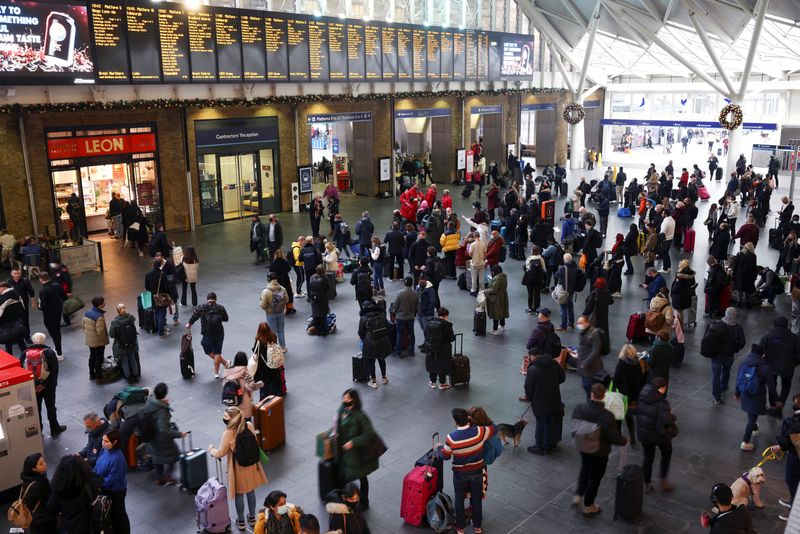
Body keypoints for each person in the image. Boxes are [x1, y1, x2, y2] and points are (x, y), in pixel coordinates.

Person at [437, 407, 497, 534]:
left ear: (455, 422)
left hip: (460, 474)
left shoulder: (451, 437)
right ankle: (477, 527)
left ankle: (460, 528)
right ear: (468, 418)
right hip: (477, 472)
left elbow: (445, 456)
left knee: (459, 500)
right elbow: (495, 428)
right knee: (476, 500)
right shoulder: (480, 431)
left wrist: (439, 448)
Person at [571, 383, 628, 517]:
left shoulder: (579, 408)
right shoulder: (607, 415)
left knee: (585, 468)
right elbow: (614, 438)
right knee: (595, 477)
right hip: (599, 451)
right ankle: (588, 505)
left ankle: (578, 495)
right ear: (604, 397)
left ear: (591, 394)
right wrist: (624, 441)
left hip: (582, 446)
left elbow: (574, 425)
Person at [209, 406, 267, 531]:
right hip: (251, 465)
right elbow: (254, 440)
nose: (223, 418)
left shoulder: (228, 433)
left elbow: (221, 452)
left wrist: (212, 450)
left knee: (239, 495)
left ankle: (241, 521)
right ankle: (252, 517)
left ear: (232, 419)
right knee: (251, 492)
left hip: (238, 467)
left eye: (225, 417)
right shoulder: (248, 425)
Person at [334, 389, 380, 509]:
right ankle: (347, 498)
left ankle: (364, 501)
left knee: (362, 476)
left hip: (356, 453)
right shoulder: (342, 409)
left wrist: (353, 442)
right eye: (344, 399)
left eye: (347, 399)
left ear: (354, 400)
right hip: (343, 450)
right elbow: (336, 421)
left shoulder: (360, 416)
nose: (345, 401)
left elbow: (369, 434)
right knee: (344, 474)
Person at [736, 344, 780, 450]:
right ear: (762, 355)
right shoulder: (765, 368)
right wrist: (776, 400)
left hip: (745, 394)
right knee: (752, 417)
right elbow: (771, 387)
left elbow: (739, 379)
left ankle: (755, 428)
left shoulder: (743, 363)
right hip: (757, 397)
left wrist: (737, 393)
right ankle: (745, 442)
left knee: (752, 415)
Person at [21, 332, 66, 436]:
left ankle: (38, 432)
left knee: (36, 409)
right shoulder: (49, 353)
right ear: (44, 341)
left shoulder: (24, 353)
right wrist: (45, 385)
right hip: (48, 386)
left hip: (32, 386)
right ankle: (54, 428)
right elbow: (54, 371)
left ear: (33, 341)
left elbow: (21, 370)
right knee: (51, 407)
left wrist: (34, 385)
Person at [636, 377, 676, 493]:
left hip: (644, 434)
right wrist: (673, 416)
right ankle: (663, 481)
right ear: (662, 388)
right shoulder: (662, 403)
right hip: (660, 435)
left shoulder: (642, 396)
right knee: (666, 454)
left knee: (648, 458)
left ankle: (646, 484)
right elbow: (667, 420)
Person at [145, 382, 187, 486]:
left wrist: (162, 402)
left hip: (151, 434)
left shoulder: (149, 401)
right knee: (174, 455)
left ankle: (160, 477)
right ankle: (167, 477)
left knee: (156, 456)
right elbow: (164, 430)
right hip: (161, 439)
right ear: (165, 394)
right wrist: (179, 434)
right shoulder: (162, 412)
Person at [525, 348, 566, 455]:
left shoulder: (533, 369)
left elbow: (528, 387)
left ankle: (540, 446)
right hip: (554, 398)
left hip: (540, 401)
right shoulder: (553, 363)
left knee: (541, 422)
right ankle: (551, 443)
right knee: (552, 421)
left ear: (533, 356)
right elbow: (562, 378)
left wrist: (531, 397)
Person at [93, 428, 131, 533]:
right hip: (105, 487)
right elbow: (98, 463)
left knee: (119, 514)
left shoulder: (117, 458)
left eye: (106, 441)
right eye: (103, 440)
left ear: (114, 442)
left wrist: (98, 482)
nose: (103, 443)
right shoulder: (104, 450)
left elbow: (112, 478)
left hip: (115, 491)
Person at [47, 454, 97, 533]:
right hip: (87, 524)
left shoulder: (58, 490)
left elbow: (51, 508)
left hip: (68, 526)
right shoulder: (87, 484)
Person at [707, 307, 746, 405]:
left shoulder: (717, 325)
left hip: (716, 355)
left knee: (716, 375)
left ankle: (716, 397)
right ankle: (723, 386)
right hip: (729, 354)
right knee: (726, 370)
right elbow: (742, 342)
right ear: (734, 315)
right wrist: (735, 349)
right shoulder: (738, 328)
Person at [186, 292, 229, 379]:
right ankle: (217, 372)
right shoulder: (220, 308)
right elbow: (226, 319)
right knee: (217, 352)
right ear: (216, 299)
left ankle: (225, 363)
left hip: (207, 334)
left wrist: (189, 324)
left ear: (207, 299)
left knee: (207, 349)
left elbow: (195, 316)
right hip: (219, 333)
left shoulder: (202, 307)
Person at [771, 393, 800, 517]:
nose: (794, 405)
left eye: (796, 403)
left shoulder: (797, 420)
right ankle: (793, 500)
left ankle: (795, 509)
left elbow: (792, 437)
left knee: (792, 479)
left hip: (796, 454)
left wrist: (780, 446)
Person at [613, 344, 646, 447]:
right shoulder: (637, 363)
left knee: (618, 417)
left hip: (622, 394)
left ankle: (618, 437)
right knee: (629, 418)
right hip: (633, 394)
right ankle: (632, 439)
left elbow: (616, 379)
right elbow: (641, 378)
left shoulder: (622, 363)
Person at [19, 452, 57, 533]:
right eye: (41, 464)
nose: (45, 464)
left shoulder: (28, 481)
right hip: (44, 521)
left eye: (43, 461)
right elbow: (50, 501)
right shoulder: (39, 485)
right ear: (34, 469)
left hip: (34, 520)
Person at [358, 299, 392, 388]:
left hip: (370, 343)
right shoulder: (381, 314)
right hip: (382, 340)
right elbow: (387, 327)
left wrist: (364, 339)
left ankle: (373, 381)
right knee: (381, 359)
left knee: (371, 361)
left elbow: (360, 332)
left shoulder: (364, 318)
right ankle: (384, 378)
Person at [223, 352, 264, 419]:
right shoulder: (245, 372)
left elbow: (224, 383)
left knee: (235, 422)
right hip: (243, 404)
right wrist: (260, 384)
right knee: (246, 423)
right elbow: (251, 387)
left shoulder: (228, 371)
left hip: (232, 402)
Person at [107, 303, 140, 383]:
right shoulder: (131, 318)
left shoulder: (115, 322)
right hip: (132, 343)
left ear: (118, 311)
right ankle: (135, 376)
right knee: (132, 358)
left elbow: (111, 335)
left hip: (121, 345)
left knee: (124, 361)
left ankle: (128, 377)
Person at [574, 315, 605, 399]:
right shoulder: (584, 332)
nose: (579, 324)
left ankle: (592, 400)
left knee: (587, 385)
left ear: (587, 323)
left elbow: (595, 350)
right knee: (586, 385)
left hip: (591, 366)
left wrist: (586, 362)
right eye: (578, 323)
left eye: (581, 323)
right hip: (585, 364)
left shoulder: (593, 334)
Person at [251, 322, 285, 399]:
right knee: (275, 380)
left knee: (265, 384)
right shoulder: (273, 336)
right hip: (274, 363)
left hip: (264, 367)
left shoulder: (259, 340)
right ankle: (277, 396)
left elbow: (256, 351)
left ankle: (266, 398)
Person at [424, 307, 455, 390]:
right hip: (444, 348)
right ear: (446, 315)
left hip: (431, 346)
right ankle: (442, 383)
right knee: (442, 365)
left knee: (433, 363)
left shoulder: (429, 322)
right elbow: (452, 338)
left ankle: (432, 382)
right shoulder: (447, 325)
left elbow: (425, 334)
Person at [81, 296, 109, 383]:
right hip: (98, 342)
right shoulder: (99, 316)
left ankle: (91, 374)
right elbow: (100, 332)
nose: (105, 303)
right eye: (103, 302)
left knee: (92, 356)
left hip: (90, 340)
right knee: (99, 358)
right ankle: (99, 377)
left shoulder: (87, 313)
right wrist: (103, 340)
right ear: (100, 305)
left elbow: (83, 325)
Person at [583, 278, 613, 355]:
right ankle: (603, 347)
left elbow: (590, 306)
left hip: (596, 316)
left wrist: (585, 314)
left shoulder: (594, 293)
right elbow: (611, 301)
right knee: (604, 330)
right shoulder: (607, 292)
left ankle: (595, 347)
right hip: (604, 315)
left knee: (594, 331)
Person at [391, 277, 418, 357]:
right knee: (411, 333)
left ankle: (399, 351)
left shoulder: (400, 293)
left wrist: (395, 311)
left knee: (400, 334)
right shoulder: (415, 294)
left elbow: (395, 307)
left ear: (404, 283)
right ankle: (412, 350)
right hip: (410, 317)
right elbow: (417, 306)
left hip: (400, 317)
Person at [260, 273, 289, 351]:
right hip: (280, 312)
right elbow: (287, 300)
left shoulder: (266, 291)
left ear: (268, 279)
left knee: (272, 332)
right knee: (281, 330)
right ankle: (283, 347)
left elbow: (262, 305)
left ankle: (274, 349)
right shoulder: (282, 289)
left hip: (270, 313)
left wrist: (267, 308)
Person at [0, 280, 27, 355]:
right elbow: (23, 308)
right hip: (18, 323)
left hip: (7, 325)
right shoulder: (17, 295)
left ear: (4, 288)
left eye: (0, 289)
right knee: (21, 342)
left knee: (8, 345)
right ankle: (26, 359)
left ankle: (11, 361)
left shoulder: (2, 299)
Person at [554, 253, 579, 331]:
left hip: (564, 291)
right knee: (570, 308)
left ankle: (563, 326)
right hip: (571, 291)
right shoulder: (575, 267)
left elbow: (556, 275)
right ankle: (571, 323)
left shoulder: (563, 268)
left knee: (563, 308)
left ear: (564, 259)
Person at [8, 267, 34, 343]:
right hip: (13, 306)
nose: (17, 275)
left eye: (18, 273)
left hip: (24, 305)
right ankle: (17, 337)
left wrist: (33, 302)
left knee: (25, 321)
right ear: (11, 274)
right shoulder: (9, 282)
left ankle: (27, 337)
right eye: (15, 273)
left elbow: (31, 292)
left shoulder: (25, 281)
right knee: (15, 322)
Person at [484, 264, 509, 334]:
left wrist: (485, 291)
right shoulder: (504, 276)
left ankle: (495, 330)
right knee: (502, 311)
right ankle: (502, 326)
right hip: (503, 296)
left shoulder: (498, 278)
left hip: (497, 298)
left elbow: (494, 289)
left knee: (496, 313)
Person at [307, 266, 331, 336]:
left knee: (316, 316)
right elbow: (327, 288)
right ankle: (322, 332)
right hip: (322, 300)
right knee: (323, 317)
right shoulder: (325, 279)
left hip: (314, 300)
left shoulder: (312, 277)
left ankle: (316, 330)